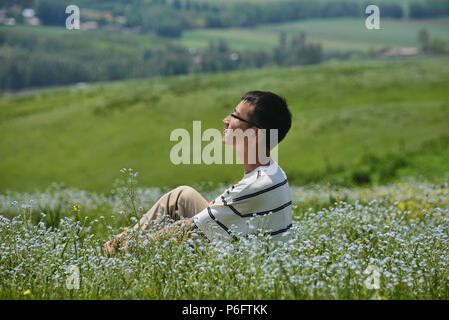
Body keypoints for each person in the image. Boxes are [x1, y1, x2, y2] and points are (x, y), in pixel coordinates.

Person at [104, 90, 292, 256]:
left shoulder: (256, 185)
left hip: (239, 272)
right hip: (244, 256)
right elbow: (213, 207)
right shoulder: (272, 171)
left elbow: (188, 228)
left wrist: (132, 246)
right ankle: (125, 246)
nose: (225, 121)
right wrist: (129, 234)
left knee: (164, 236)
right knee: (183, 196)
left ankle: (121, 261)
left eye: (235, 117)